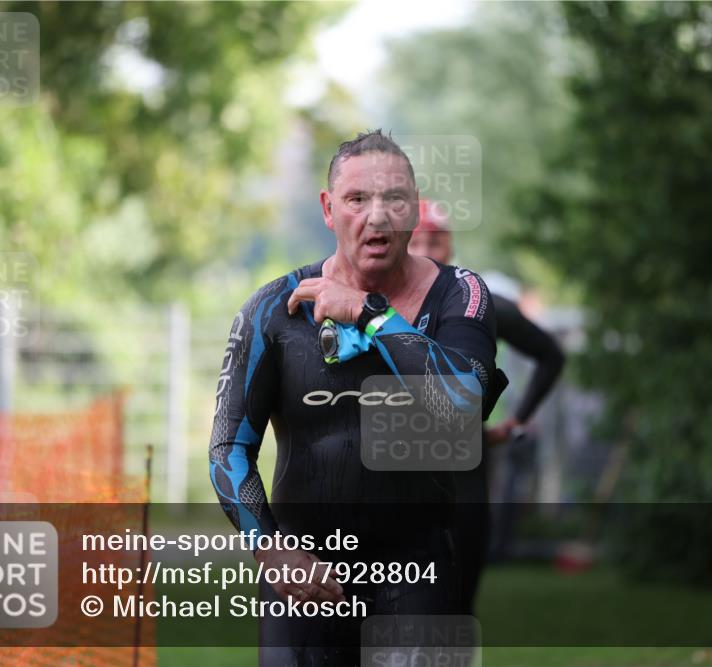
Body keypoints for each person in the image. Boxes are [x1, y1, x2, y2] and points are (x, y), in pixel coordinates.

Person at [208, 130, 505, 666]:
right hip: (304, 578)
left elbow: (463, 403)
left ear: (414, 208)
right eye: (357, 199)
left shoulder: (461, 294)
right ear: (328, 209)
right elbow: (228, 448)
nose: (377, 216)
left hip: (416, 575)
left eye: (395, 199)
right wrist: (270, 548)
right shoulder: (274, 309)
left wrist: (369, 314)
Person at [409, 199, 565, 609]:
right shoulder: (372, 305)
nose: (426, 250)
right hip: (389, 477)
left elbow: (550, 355)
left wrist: (516, 422)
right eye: (415, 240)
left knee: (457, 607)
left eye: (436, 240)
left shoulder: (478, 304)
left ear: (451, 245)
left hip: (464, 476)